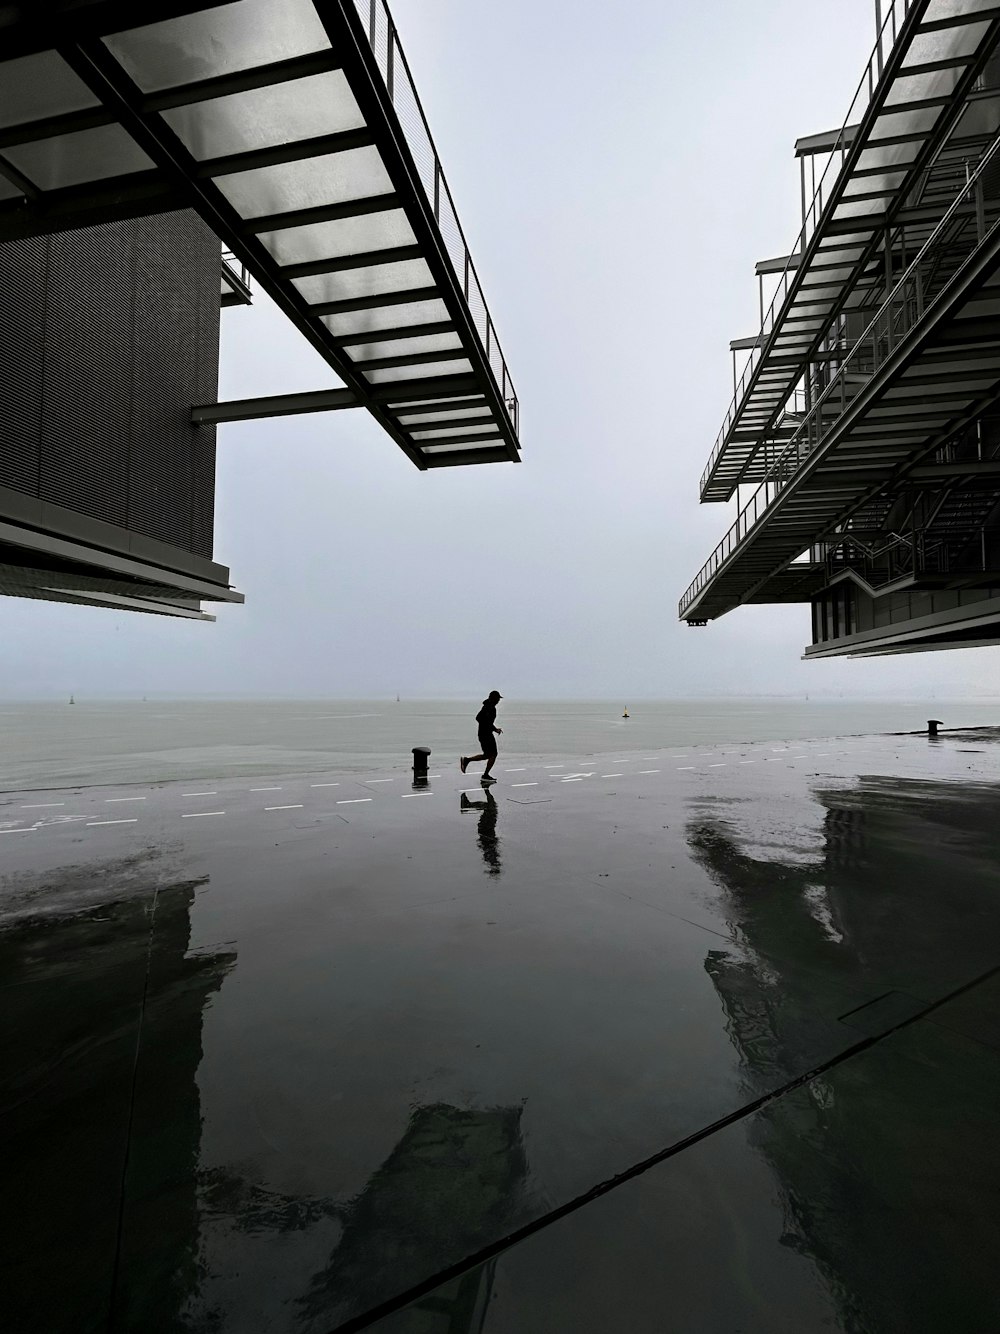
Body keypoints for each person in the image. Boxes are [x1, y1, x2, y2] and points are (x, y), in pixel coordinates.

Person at [460, 691, 503, 783]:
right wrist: (492, 728)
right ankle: (485, 775)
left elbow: (481, 719)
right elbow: (481, 719)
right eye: (498, 698)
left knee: (488, 755)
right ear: (494, 698)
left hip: (484, 733)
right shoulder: (489, 707)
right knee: (493, 754)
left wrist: (493, 728)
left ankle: (467, 760)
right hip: (486, 734)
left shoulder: (488, 706)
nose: (499, 700)